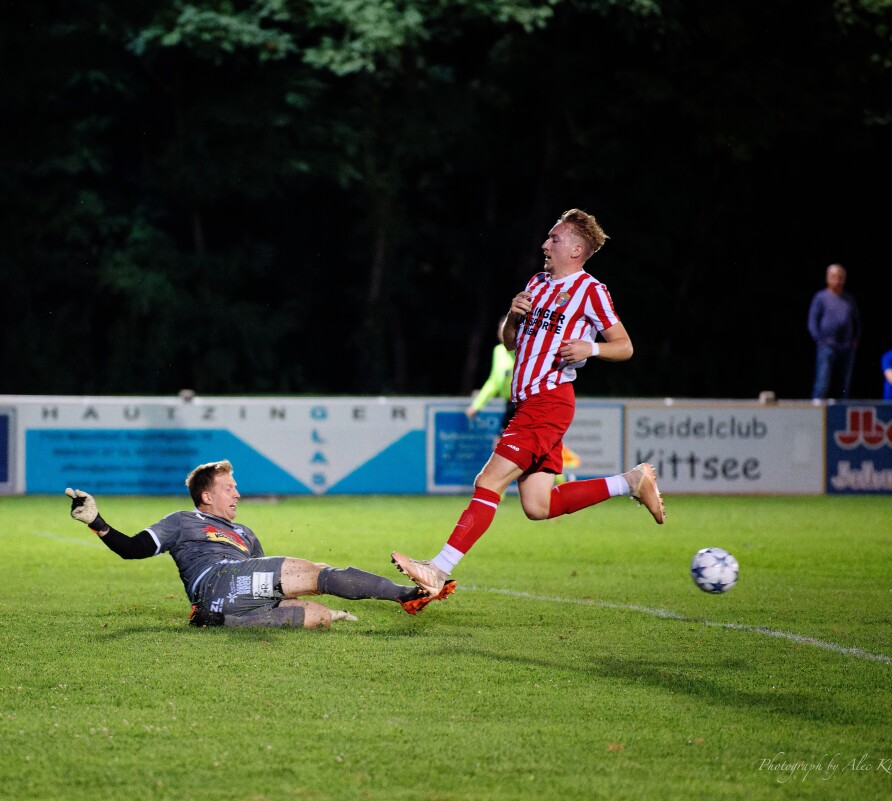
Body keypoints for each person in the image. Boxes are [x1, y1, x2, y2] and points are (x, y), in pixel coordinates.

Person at [391, 208, 665, 600]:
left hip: (548, 402)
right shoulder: (537, 283)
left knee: (488, 482)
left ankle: (437, 569)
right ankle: (630, 482)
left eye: (553, 239)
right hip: (528, 405)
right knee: (538, 505)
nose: (545, 245)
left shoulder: (591, 290)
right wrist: (512, 320)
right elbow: (510, 343)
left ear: (575, 248)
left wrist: (591, 346)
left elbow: (625, 347)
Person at [65, 460, 455, 628]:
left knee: (318, 617)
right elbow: (132, 547)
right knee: (316, 572)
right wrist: (97, 522)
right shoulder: (183, 521)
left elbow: (269, 584)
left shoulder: (245, 533)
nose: (237, 494)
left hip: (227, 598)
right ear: (205, 497)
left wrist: (324, 611)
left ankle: (215, 620)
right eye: (229, 488)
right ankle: (406, 594)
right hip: (215, 580)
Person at [466, 314, 582, 477]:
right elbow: (494, 381)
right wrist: (477, 405)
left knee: (532, 450)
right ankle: (497, 489)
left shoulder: (526, 349)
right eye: (501, 328)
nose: (503, 332)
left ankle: (561, 481)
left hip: (528, 401)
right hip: (510, 404)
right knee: (504, 447)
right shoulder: (498, 351)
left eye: (506, 327)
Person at [807, 263, 861, 400]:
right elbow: (812, 321)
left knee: (844, 384)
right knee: (823, 383)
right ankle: (816, 412)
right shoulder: (821, 297)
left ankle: (841, 413)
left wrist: (855, 340)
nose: (837, 280)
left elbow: (856, 322)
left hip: (846, 347)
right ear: (827, 278)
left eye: (840, 277)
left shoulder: (849, 300)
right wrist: (819, 339)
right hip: (827, 345)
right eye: (834, 277)